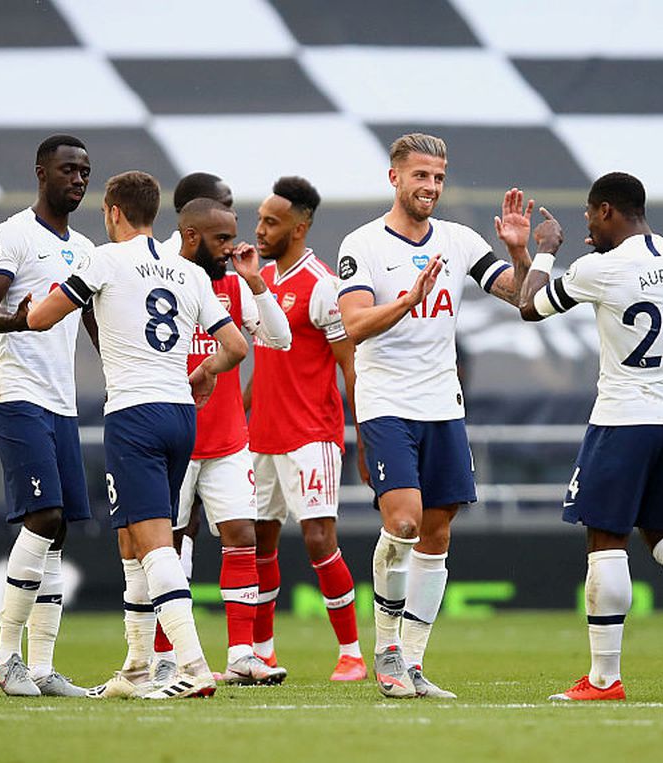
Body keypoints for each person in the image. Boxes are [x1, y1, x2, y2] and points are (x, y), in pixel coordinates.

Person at [501, 173, 663, 702]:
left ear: (609, 210)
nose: (588, 225)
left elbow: (528, 306)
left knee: (605, 537)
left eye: (592, 215)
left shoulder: (599, 268)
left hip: (623, 415)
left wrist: (543, 252)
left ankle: (604, 678)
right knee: (662, 532)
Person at [28, 171, 248, 699]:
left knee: (154, 544)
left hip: (134, 415)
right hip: (179, 415)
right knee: (131, 539)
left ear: (112, 211)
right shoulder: (187, 271)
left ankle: (192, 668)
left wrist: (27, 305)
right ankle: (136, 668)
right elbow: (237, 347)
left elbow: (40, 319)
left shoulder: (103, 259)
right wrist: (202, 374)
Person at [336, 133, 531, 699]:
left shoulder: (460, 240)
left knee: (438, 531)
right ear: (394, 178)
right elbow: (353, 326)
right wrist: (406, 300)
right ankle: (387, 650)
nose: (431, 187)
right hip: (387, 403)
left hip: (442, 404)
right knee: (403, 523)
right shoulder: (363, 244)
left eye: (439, 178)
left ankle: (414, 663)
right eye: (421, 176)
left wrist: (519, 252)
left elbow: (522, 300)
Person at [0, 134, 98, 697]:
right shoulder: (13, 235)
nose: (78, 179)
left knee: (60, 532)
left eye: (85, 172)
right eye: (68, 170)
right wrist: (18, 321)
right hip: (15, 392)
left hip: (61, 401)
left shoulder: (87, 251)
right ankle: (6, 658)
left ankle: (43, 668)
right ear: (41, 172)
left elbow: (99, 329)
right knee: (44, 516)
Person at [159, 189, 293, 686]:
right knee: (168, 546)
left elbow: (280, 339)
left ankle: (241, 655)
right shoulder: (162, 279)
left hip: (228, 438)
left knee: (242, 537)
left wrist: (256, 281)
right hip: (173, 436)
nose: (229, 249)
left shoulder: (233, 287)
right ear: (191, 235)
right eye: (222, 239)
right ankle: (166, 658)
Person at [246, 176, 365, 682]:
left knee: (318, 538)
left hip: (311, 435)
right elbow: (265, 363)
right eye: (260, 220)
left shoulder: (322, 285)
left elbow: (349, 363)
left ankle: (353, 653)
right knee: (258, 541)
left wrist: (365, 432)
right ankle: (263, 649)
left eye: (271, 222)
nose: (260, 230)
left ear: (300, 225)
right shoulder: (261, 282)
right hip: (262, 436)